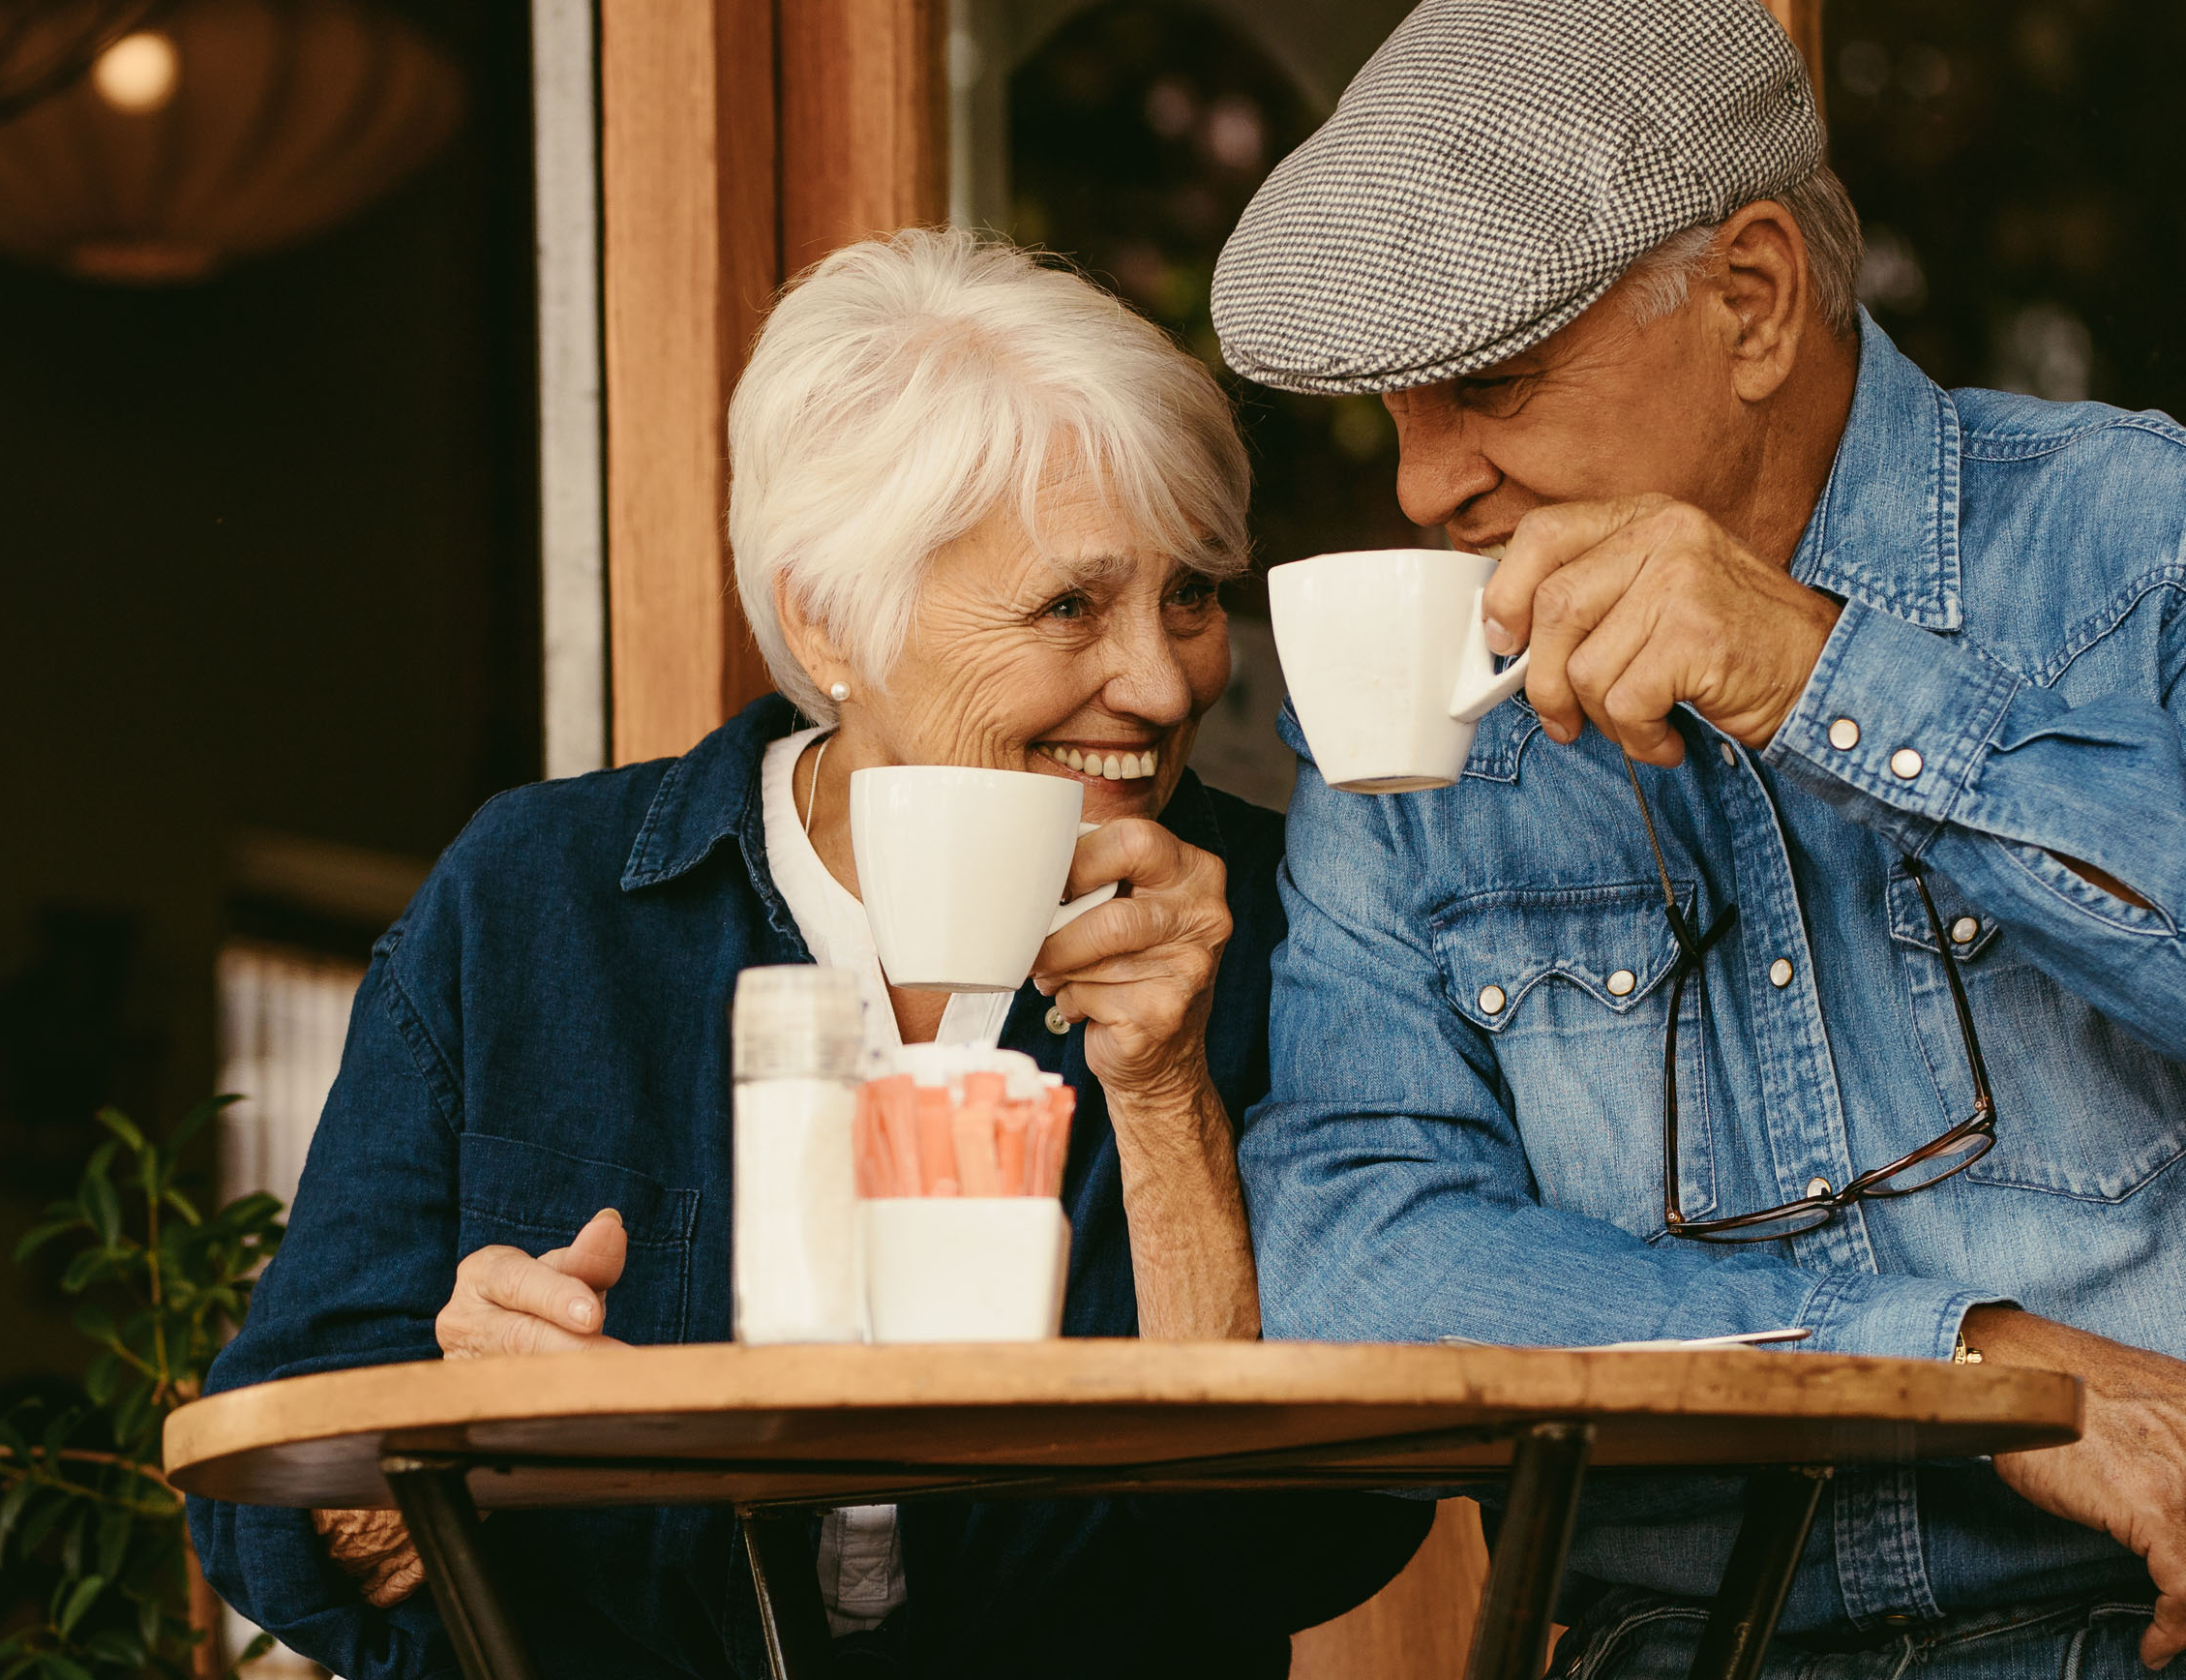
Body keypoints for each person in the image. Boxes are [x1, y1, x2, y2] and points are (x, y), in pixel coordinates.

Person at [186, 229, 1428, 1680]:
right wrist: (443, 1443)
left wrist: (1164, 1103)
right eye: (1070, 605)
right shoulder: (541, 902)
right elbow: (274, 1500)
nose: (1163, 686)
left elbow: (1294, 1548)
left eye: (1194, 594)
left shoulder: (1293, 919)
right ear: (829, 614)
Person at [1213, 1, 2186, 1674]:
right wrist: (1949, 1369)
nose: (1422, 484)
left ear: (1751, 302)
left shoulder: (2137, 543)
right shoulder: (1426, 704)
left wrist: (1827, 681)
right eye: (1394, 408)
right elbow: (1352, 1262)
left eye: (1487, 384)